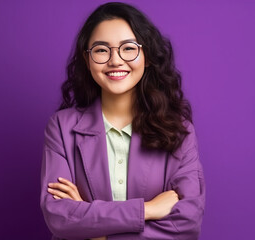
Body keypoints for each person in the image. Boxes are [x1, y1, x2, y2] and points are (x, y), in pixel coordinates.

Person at [40, 2, 205, 239]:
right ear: (87, 60)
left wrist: (97, 234)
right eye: (101, 50)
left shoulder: (179, 131)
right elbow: (59, 217)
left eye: (128, 48)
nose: (115, 60)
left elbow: (187, 224)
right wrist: (147, 210)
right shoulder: (61, 127)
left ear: (146, 56)